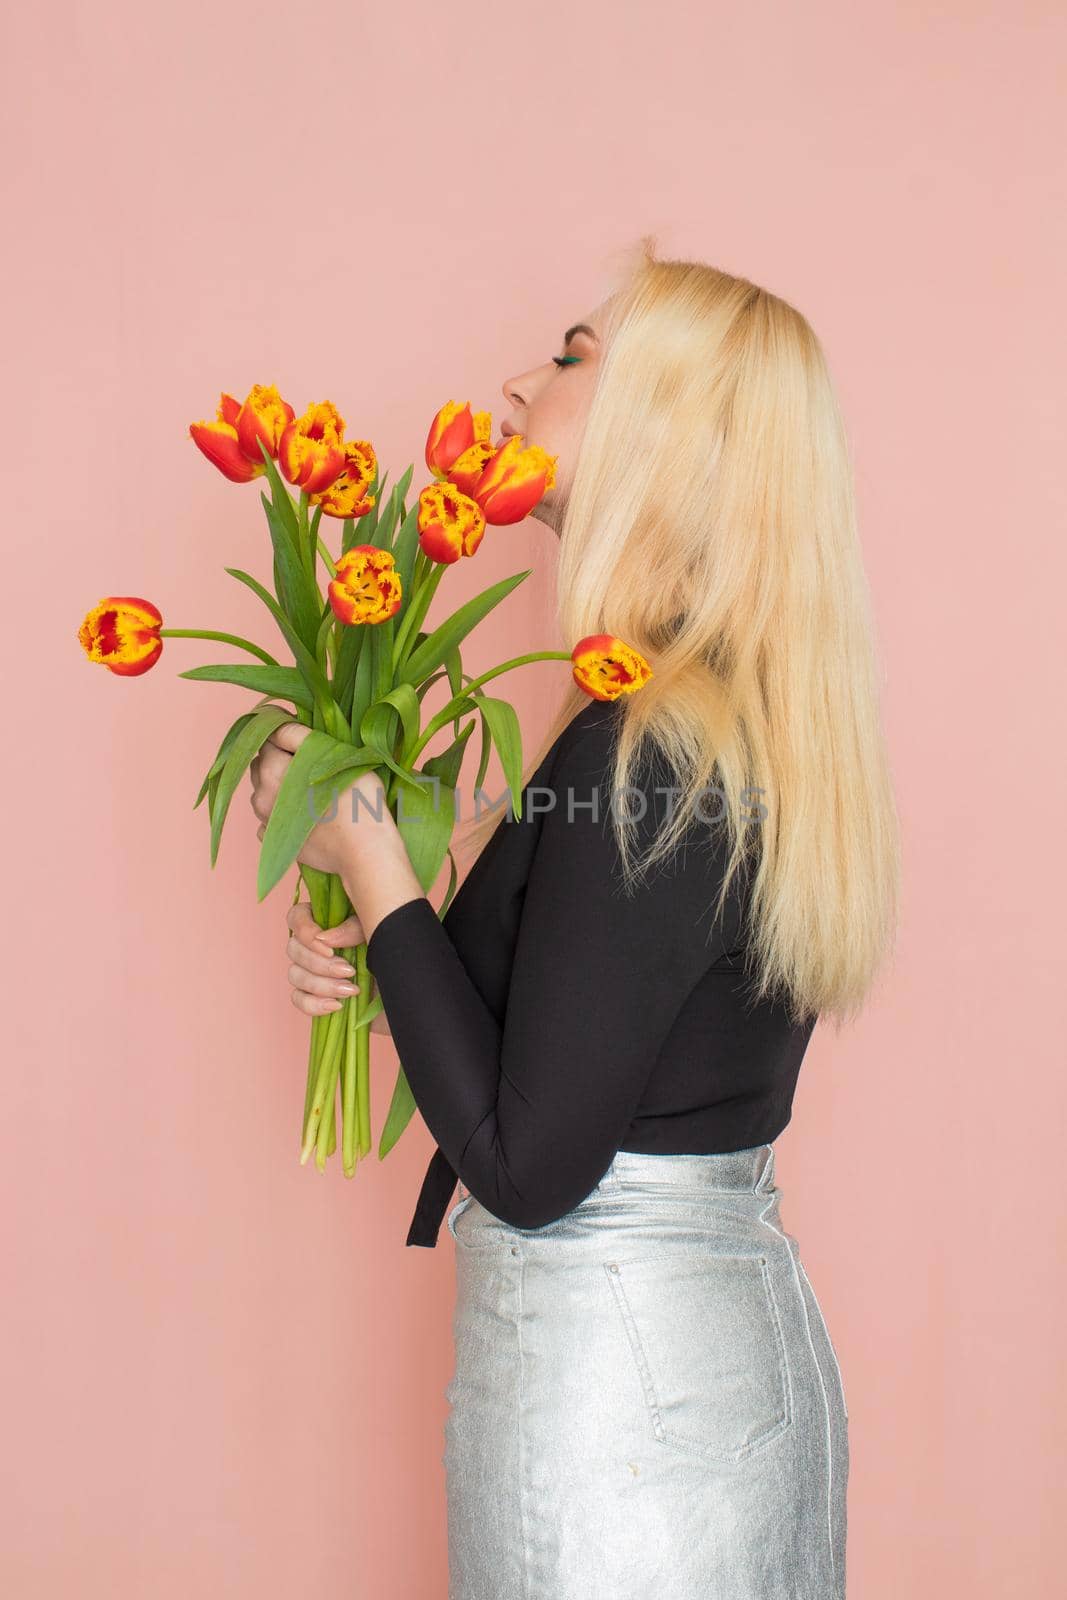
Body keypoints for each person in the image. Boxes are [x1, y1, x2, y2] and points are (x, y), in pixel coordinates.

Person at [249, 236, 900, 1599]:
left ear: (664, 430)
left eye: (569, 357)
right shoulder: (699, 723)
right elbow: (609, 1028)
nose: (514, 381)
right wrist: (400, 934)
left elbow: (531, 1163)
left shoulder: (647, 750)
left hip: (626, 1416)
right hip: (688, 1387)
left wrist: (378, 879)